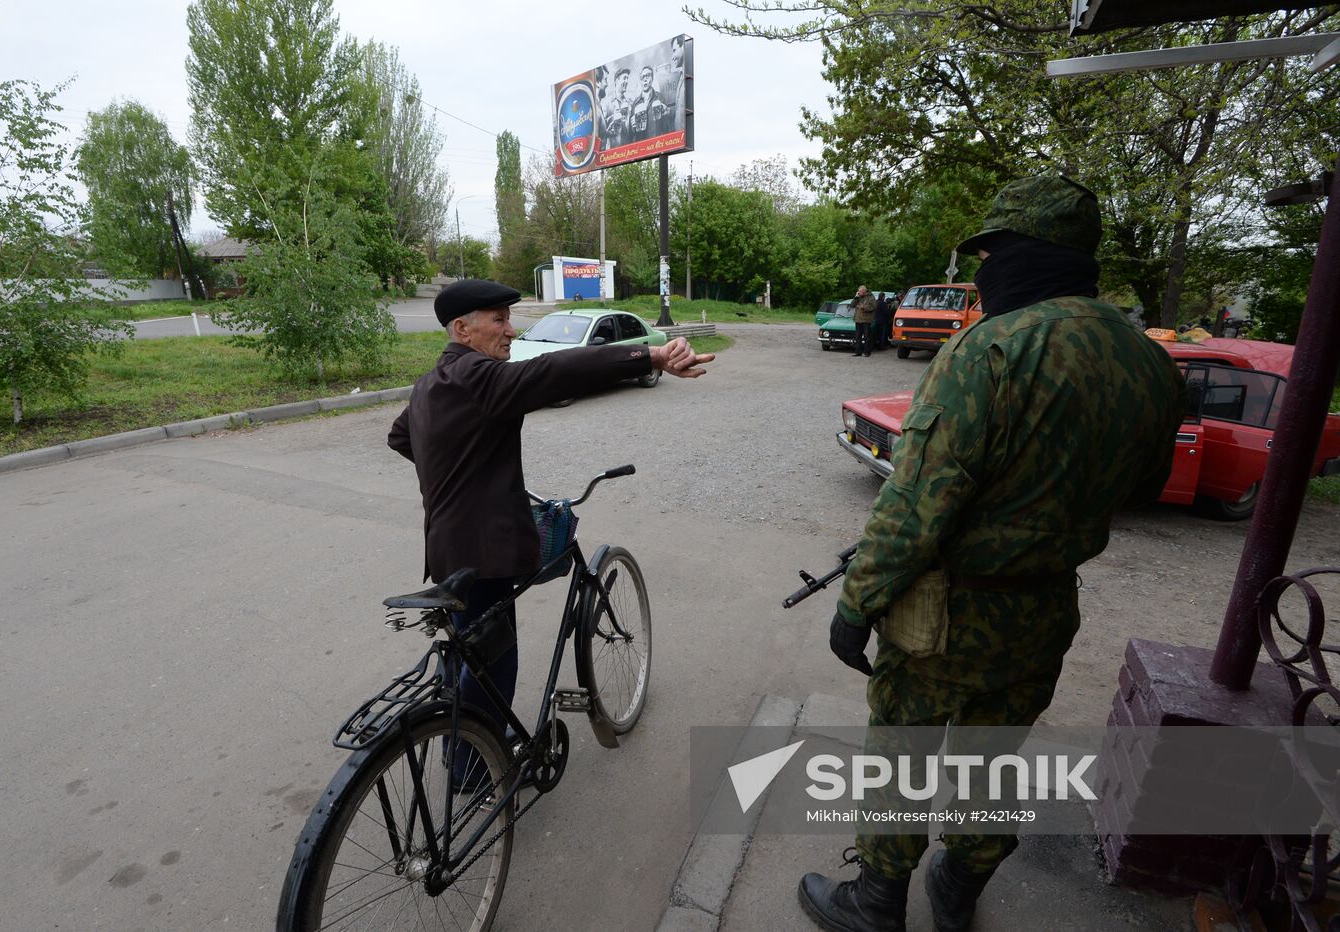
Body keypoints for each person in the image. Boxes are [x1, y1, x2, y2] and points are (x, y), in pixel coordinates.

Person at [797, 175, 1184, 932]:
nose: (981, 274)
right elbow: (1144, 484)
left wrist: (856, 603)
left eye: (993, 254)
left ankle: (876, 904)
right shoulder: (1149, 363)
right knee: (997, 757)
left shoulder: (993, 349)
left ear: (1032, 253)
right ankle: (959, 886)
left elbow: (913, 506)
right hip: (1043, 609)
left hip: (948, 613)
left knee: (903, 754)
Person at [387, 279, 713, 779]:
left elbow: (401, 436)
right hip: (485, 554)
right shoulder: (480, 376)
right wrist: (650, 357)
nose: (510, 330)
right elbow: (557, 370)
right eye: (498, 320)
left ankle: (461, 750)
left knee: (465, 660)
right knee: (494, 666)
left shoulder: (432, 382)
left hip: (446, 547)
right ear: (462, 328)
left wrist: (464, 474)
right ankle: (475, 772)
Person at [628, 65, 667, 141]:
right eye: (642, 77)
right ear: (640, 81)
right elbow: (632, 132)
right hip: (642, 146)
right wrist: (633, 127)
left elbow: (665, 126)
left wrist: (666, 113)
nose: (645, 79)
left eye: (647, 76)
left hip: (656, 143)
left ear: (652, 79)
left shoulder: (659, 98)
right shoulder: (635, 103)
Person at [601, 68, 632, 150]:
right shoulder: (606, 102)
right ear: (616, 81)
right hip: (613, 153)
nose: (627, 81)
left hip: (628, 152)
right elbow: (601, 129)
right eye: (624, 78)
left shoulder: (630, 103)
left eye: (627, 79)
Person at [851, 285, 875, 357]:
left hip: (866, 320)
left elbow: (873, 306)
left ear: (864, 291)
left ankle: (867, 352)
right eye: (858, 291)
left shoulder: (870, 297)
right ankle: (858, 352)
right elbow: (852, 305)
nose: (859, 293)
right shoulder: (858, 297)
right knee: (858, 337)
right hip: (858, 320)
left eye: (860, 292)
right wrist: (856, 297)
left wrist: (863, 307)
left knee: (867, 337)